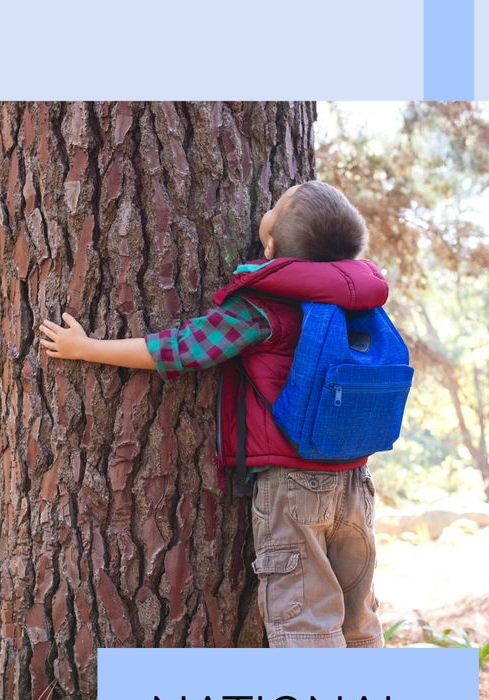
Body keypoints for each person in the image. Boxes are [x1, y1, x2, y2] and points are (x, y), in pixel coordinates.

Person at [39, 180, 387, 649]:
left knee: (305, 620)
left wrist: (87, 349)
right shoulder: (359, 301)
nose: (275, 197)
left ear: (269, 244)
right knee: (357, 619)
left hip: (294, 488)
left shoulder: (263, 308)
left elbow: (181, 350)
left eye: (277, 204)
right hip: (356, 483)